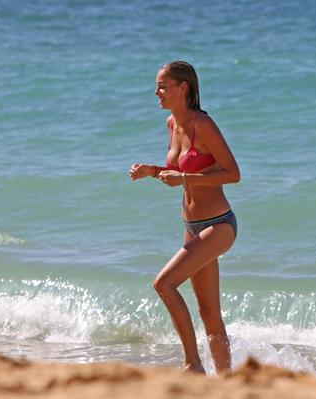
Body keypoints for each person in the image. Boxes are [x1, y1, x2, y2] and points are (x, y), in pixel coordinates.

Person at [129, 61, 240, 374]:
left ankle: (193, 365)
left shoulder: (201, 124)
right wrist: (152, 172)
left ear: (183, 88)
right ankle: (228, 381)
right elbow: (181, 171)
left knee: (164, 284)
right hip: (192, 227)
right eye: (157, 87)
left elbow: (232, 173)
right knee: (209, 313)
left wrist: (185, 180)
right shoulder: (170, 124)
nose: (157, 92)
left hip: (219, 225)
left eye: (163, 86)